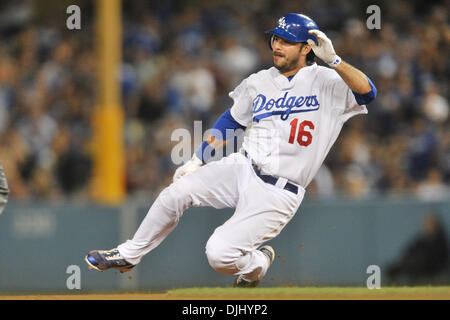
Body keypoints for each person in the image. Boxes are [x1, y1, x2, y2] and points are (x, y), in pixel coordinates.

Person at [85, 13, 377, 287]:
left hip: (279, 190)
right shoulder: (259, 81)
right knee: (177, 191)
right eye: (275, 39)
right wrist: (198, 158)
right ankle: (128, 254)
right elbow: (231, 121)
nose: (277, 45)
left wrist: (335, 60)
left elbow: (368, 93)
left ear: (307, 48)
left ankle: (258, 264)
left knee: (219, 254)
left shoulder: (326, 81)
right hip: (243, 166)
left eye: (286, 41)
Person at [387, 212, 449, 284]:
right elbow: (410, 250)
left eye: (431, 224)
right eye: (427, 224)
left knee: (414, 265)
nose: (428, 226)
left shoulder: (441, 240)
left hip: (431, 266)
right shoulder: (422, 239)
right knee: (392, 269)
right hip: (416, 263)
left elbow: (438, 258)